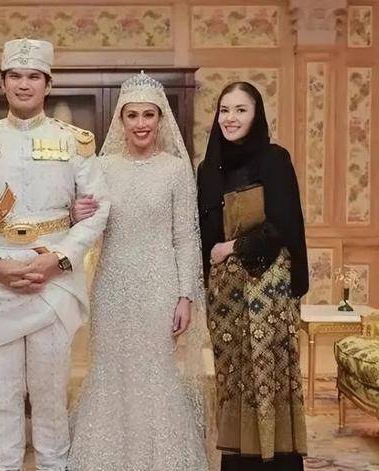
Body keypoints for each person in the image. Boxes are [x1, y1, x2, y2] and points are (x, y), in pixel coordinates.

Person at [0, 38, 109, 471]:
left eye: (33, 76)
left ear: (48, 84)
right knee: (3, 392)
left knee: (50, 391)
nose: (23, 84)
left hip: (53, 277)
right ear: (2, 83)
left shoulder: (74, 142)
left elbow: (98, 209)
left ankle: (55, 464)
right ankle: (4, 464)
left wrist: (57, 259)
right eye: (15, 76)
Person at [68, 72, 210, 470]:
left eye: (149, 114)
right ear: (121, 120)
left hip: (159, 286)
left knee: (155, 370)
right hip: (111, 284)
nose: (141, 123)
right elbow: (88, 227)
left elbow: (186, 237)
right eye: (133, 115)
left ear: (161, 118)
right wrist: (76, 214)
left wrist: (185, 295)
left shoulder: (176, 170)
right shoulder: (101, 167)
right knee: (109, 370)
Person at [197, 81, 309, 471]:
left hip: (268, 288)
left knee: (267, 378)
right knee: (233, 381)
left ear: (256, 114)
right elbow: (202, 234)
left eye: (241, 110)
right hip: (225, 298)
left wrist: (232, 247)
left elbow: (283, 225)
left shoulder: (274, 160)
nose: (230, 118)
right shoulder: (208, 169)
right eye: (224, 110)